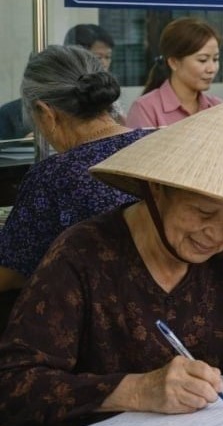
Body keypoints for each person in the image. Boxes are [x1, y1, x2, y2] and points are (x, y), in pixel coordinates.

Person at [0, 99, 223, 426]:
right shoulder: (81, 255)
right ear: (158, 190)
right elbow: (14, 384)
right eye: (203, 212)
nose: (216, 234)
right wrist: (138, 390)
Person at [0, 46, 150, 319]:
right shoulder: (155, 145)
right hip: (170, 312)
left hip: (100, 323)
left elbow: (10, 273)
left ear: (46, 112)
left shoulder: (54, 175)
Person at [126, 18, 223, 128]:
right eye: (202, 60)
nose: (212, 69)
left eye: (215, 59)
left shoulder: (218, 107)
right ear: (174, 62)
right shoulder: (145, 109)